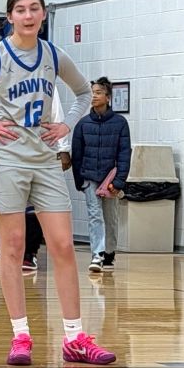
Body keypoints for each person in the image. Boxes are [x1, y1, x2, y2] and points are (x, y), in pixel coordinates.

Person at [0, 0, 116, 368]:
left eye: (34, 8)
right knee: (13, 249)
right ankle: (20, 335)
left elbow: (81, 94)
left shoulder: (54, 56)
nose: (28, 15)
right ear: (9, 17)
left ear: (43, 15)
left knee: (61, 246)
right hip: (5, 160)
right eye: (20, 9)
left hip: (43, 160)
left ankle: (74, 338)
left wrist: (66, 126)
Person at [0, 88, 72, 272]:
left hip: (38, 153)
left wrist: (64, 148)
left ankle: (29, 254)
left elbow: (57, 113)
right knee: (0, 209)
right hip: (3, 154)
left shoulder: (47, 72)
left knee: (33, 209)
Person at [72, 76, 131, 273]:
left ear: (108, 97)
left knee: (110, 217)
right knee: (94, 216)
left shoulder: (120, 123)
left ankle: (109, 252)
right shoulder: (82, 125)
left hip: (110, 179)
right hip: (89, 177)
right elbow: (77, 154)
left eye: (98, 93)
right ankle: (97, 254)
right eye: (92, 93)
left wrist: (119, 181)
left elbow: (124, 154)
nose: (94, 96)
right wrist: (79, 179)